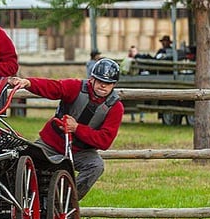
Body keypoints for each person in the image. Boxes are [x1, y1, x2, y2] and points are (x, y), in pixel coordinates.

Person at [8, 58, 124, 200]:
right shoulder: (76, 87)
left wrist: (77, 128)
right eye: (100, 81)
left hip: (81, 151)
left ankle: (65, 201)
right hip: (51, 143)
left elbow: (104, 141)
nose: (103, 86)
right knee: (25, 162)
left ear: (114, 84)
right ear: (92, 79)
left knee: (96, 166)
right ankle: (23, 199)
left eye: (108, 83)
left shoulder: (115, 108)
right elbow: (53, 87)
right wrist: (28, 83)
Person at [120, 46, 144, 122]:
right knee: (132, 100)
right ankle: (133, 117)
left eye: (134, 51)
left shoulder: (140, 60)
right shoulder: (127, 60)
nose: (132, 53)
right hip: (131, 82)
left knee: (141, 99)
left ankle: (141, 117)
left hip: (140, 83)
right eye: (131, 51)